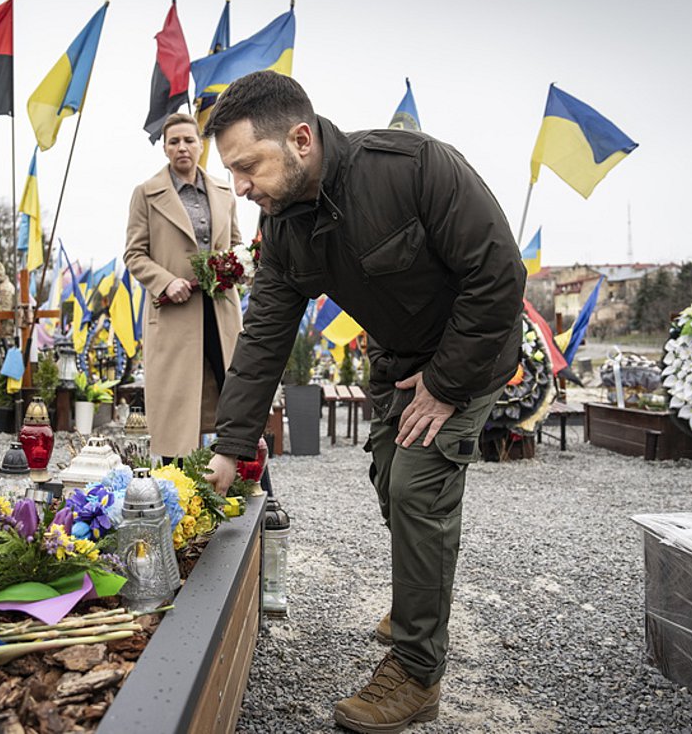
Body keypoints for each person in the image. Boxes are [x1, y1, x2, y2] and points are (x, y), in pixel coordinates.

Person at [202, 72, 525, 733]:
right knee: (387, 480)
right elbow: (265, 335)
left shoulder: (414, 168)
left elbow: (498, 277)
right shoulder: (283, 227)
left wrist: (444, 384)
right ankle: (418, 600)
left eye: (247, 166)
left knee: (417, 488)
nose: (239, 186)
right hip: (397, 361)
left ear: (300, 139)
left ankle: (416, 672)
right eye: (231, 171)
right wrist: (230, 447)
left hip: (471, 351)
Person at [124, 113, 243, 460]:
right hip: (175, 314)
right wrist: (165, 281)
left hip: (221, 313)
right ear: (164, 148)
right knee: (176, 407)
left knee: (236, 395)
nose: (182, 148)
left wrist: (234, 266)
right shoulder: (146, 194)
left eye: (189, 140)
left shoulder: (224, 192)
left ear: (200, 145)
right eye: (174, 142)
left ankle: (250, 477)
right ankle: (174, 483)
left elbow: (236, 245)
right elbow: (134, 254)